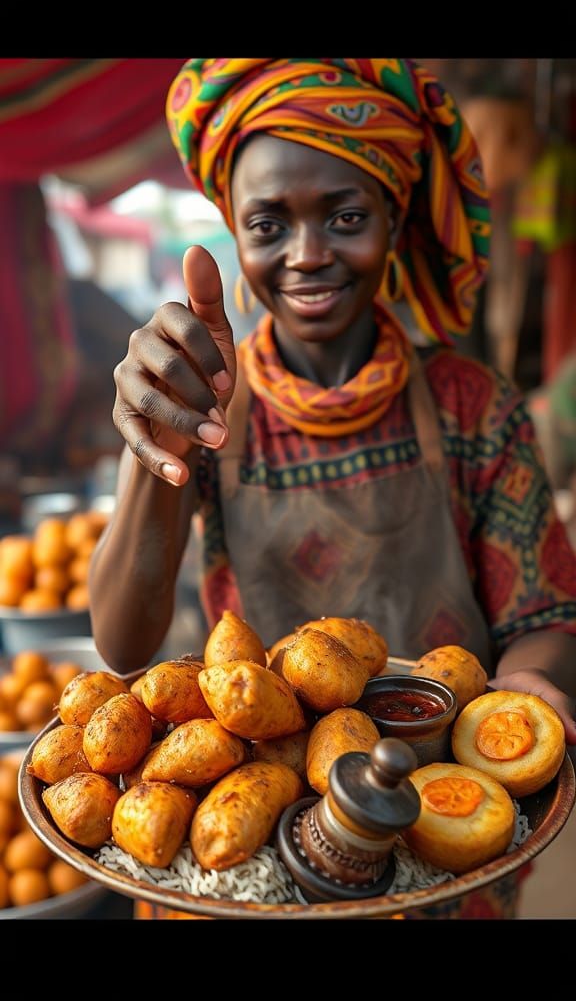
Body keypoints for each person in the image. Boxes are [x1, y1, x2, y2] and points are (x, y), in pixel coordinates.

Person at [90, 59, 576, 918]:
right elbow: (125, 646)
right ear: (233, 232)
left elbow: (540, 621)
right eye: (268, 223)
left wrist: (531, 690)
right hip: (242, 870)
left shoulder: (475, 407)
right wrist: (156, 452)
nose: (308, 255)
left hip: (435, 841)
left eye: (346, 217)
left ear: (393, 215)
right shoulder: (211, 410)